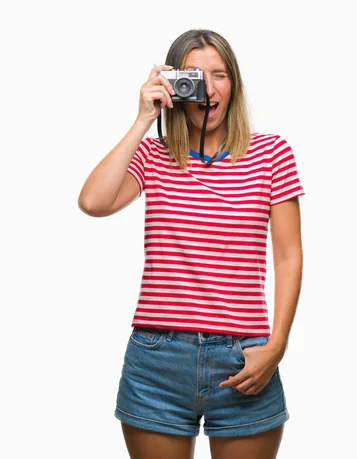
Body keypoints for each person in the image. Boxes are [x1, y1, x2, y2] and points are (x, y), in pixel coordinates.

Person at [78, 28, 304, 459]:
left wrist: (277, 346)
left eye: (219, 74)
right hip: (157, 360)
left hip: (244, 359)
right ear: (176, 86)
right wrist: (143, 118)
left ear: (233, 83)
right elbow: (93, 201)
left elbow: (289, 256)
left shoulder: (272, 153)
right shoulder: (153, 155)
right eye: (195, 76)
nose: (208, 87)